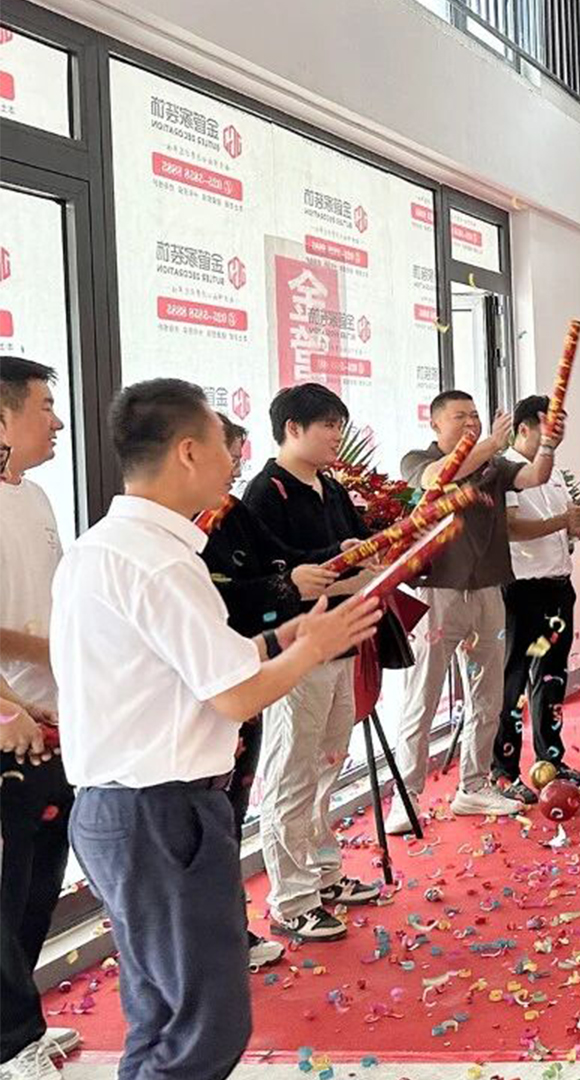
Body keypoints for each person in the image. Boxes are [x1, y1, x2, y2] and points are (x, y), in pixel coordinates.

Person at [52, 379, 380, 1080]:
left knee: (161, 1014)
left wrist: (284, 638)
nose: (235, 460)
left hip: (123, 809)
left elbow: (188, 667)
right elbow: (234, 696)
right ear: (187, 451)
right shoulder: (161, 561)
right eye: (224, 446)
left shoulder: (102, 547)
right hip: (161, 813)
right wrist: (312, 650)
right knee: (206, 1023)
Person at [241, 384, 386, 940]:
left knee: (328, 764)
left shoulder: (331, 486)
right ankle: (292, 898)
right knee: (291, 773)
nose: (336, 436)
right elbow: (279, 572)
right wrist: (345, 565)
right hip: (295, 652)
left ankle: (324, 873)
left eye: (339, 425)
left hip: (339, 644)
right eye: (327, 425)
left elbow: (358, 546)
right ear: (292, 429)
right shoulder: (265, 492)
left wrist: (378, 552)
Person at [391, 390, 567, 832]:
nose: (470, 422)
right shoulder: (418, 460)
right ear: (435, 424)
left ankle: (473, 785)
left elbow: (535, 475)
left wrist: (548, 444)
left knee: (488, 696)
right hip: (437, 594)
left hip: (489, 590)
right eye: (460, 416)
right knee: (422, 698)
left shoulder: (493, 466)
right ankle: (406, 797)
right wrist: (490, 442)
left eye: (474, 415)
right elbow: (438, 477)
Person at [205, 412, 341, 960]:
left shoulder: (231, 509)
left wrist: (346, 558)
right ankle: (269, 910)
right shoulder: (167, 539)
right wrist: (286, 590)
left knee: (232, 810)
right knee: (223, 812)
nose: (235, 465)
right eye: (227, 453)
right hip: (223, 683)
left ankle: (230, 931)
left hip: (251, 663)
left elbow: (284, 561)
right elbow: (222, 596)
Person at [0, 357, 78, 1078]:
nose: (56, 421)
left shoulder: (37, 496)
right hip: (10, 723)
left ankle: (21, 1024)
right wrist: (9, 706)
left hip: (50, 713)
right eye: (43, 407)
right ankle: (11, 1037)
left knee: (36, 884)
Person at [496, 394, 580, 799]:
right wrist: (563, 521)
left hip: (558, 588)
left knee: (551, 677)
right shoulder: (506, 472)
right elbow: (511, 529)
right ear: (524, 428)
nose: (557, 435)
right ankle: (503, 771)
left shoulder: (553, 474)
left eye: (561, 428)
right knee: (514, 681)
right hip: (523, 591)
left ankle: (550, 758)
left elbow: (563, 525)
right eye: (549, 428)